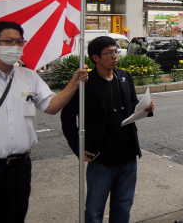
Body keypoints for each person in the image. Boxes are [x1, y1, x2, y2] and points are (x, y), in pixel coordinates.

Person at [0, 21, 88, 222]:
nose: (16, 47)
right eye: (9, 42)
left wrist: (74, 83)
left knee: (15, 217)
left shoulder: (29, 77)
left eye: (20, 42)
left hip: (20, 169)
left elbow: (51, 107)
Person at [61, 36, 155, 223]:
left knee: (123, 206)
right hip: (100, 158)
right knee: (94, 211)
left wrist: (146, 108)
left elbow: (133, 104)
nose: (115, 56)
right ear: (95, 57)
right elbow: (67, 118)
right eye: (109, 52)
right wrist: (77, 147)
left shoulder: (124, 76)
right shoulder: (85, 83)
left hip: (128, 155)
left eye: (116, 51)